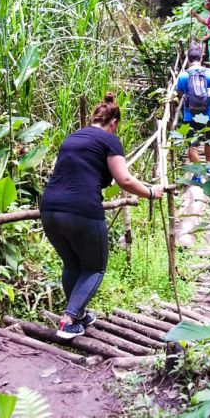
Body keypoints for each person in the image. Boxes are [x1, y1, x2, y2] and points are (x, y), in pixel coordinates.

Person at [40, 92, 164, 339]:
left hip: (50, 210)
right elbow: (124, 179)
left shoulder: (72, 138)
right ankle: (68, 321)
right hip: (82, 211)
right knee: (95, 267)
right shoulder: (109, 140)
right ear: (114, 123)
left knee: (73, 264)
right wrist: (151, 192)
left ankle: (80, 316)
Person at [176, 45, 210, 174]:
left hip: (190, 116)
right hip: (209, 115)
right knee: (209, 141)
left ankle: (198, 174)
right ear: (202, 57)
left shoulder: (183, 75)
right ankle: (209, 168)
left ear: (188, 58)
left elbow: (180, 94)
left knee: (192, 145)